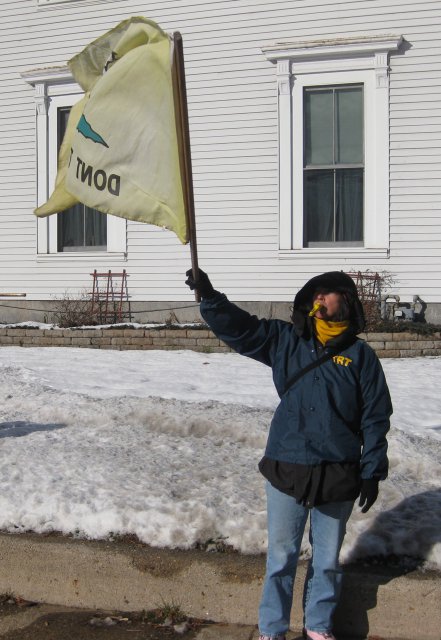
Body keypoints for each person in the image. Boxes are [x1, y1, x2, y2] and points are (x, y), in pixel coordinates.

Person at [185, 268, 393, 640]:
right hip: (287, 465)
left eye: (328, 294)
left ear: (346, 301)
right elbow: (241, 329)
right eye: (315, 294)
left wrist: (372, 470)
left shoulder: (360, 357)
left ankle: (317, 626)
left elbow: (376, 417)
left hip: (338, 471)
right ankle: (272, 629)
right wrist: (210, 296)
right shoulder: (285, 341)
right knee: (281, 558)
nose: (320, 299)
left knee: (327, 560)